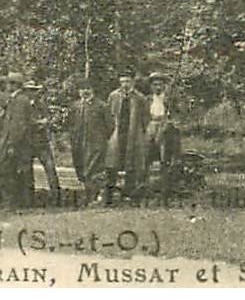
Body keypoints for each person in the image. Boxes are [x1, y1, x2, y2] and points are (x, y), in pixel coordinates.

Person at [102, 71, 147, 205]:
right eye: (122, 82)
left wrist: (142, 132)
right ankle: (109, 196)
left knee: (131, 164)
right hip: (117, 132)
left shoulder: (140, 98)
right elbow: (108, 115)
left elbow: (145, 117)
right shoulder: (113, 96)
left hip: (133, 133)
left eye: (127, 81)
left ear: (133, 82)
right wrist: (108, 132)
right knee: (112, 164)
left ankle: (129, 195)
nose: (125, 84)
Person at [0, 72, 36, 208]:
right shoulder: (14, 99)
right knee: (15, 173)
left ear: (14, 85)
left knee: (9, 172)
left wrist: (12, 144)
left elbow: (19, 125)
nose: (7, 86)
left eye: (8, 83)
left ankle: (12, 203)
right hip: (13, 142)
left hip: (16, 143)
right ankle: (19, 203)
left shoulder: (20, 101)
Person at [68, 83, 111, 205]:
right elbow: (71, 124)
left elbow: (110, 125)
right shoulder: (75, 106)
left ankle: (98, 197)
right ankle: (88, 196)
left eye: (87, 88)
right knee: (81, 169)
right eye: (82, 89)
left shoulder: (101, 106)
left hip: (95, 143)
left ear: (92, 90)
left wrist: (101, 139)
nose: (84, 91)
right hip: (79, 143)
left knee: (95, 170)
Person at [24, 79, 63, 202]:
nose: (31, 93)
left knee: (50, 168)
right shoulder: (22, 105)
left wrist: (42, 123)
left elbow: (48, 120)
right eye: (29, 90)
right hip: (27, 142)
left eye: (33, 90)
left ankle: (56, 197)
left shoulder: (41, 105)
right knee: (27, 171)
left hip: (41, 142)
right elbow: (24, 122)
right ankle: (29, 198)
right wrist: (38, 123)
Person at [143, 72, 181, 192]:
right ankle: (147, 186)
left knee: (165, 158)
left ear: (164, 86)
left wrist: (170, 121)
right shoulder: (147, 99)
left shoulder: (170, 99)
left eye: (160, 84)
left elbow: (178, 114)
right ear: (151, 86)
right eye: (155, 85)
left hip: (165, 128)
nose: (158, 87)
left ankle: (166, 187)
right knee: (146, 156)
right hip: (150, 127)